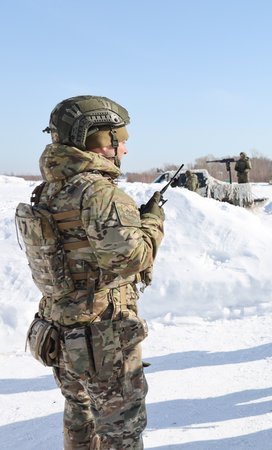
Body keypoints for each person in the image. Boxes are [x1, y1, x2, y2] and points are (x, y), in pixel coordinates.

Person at [20, 96, 164, 448]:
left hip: (61, 332)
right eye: (120, 138)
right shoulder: (99, 193)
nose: (124, 148)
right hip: (103, 337)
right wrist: (152, 222)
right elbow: (132, 258)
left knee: (79, 417)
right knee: (121, 433)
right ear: (99, 139)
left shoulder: (50, 190)